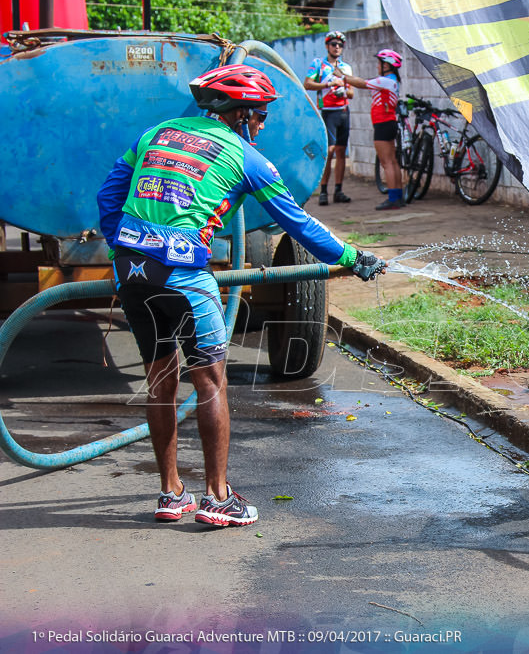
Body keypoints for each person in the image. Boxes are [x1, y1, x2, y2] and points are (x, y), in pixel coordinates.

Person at [95, 64, 387, 527]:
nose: (264, 124)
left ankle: (170, 493)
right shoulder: (246, 156)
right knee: (210, 382)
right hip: (183, 276)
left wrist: (125, 248)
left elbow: (108, 197)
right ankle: (216, 499)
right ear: (244, 115)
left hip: (132, 272)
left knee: (161, 378)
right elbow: (298, 222)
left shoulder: (156, 133)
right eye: (262, 115)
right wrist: (352, 257)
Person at [340, 49, 404, 211]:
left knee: (386, 162)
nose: (377, 67)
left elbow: (362, 83)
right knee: (393, 161)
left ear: (387, 65)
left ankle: (392, 199)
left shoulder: (386, 81)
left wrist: (344, 78)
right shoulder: (393, 80)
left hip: (383, 124)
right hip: (389, 123)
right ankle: (398, 196)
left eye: (379, 63)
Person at [304, 30, 355, 206]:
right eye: (334, 44)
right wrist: (328, 84)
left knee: (341, 152)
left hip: (343, 111)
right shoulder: (319, 64)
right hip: (328, 112)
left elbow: (352, 93)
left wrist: (345, 91)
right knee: (330, 151)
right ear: (327, 46)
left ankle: (339, 190)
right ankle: (324, 190)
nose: (337, 47)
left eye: (340, 45)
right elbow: (307, 83)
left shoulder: (346, 68)